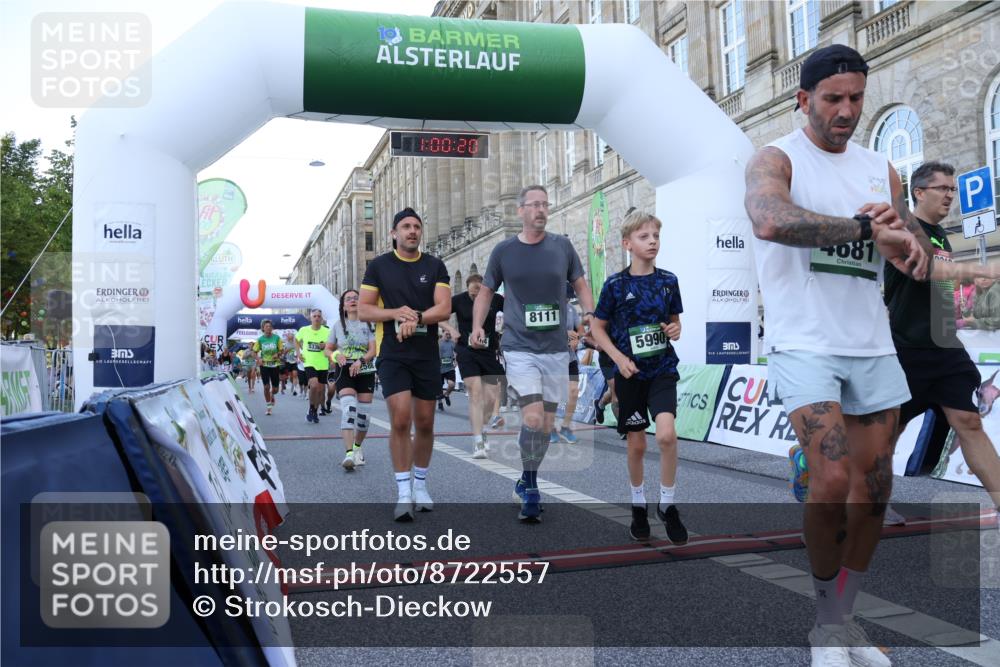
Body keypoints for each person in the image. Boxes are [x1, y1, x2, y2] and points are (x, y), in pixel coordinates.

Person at [744, 44, 930, 667]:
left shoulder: (882, 167)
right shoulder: (777, 157)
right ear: (804, 100)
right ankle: (825, 626)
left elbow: (915, 256)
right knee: (829, 478)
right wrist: (861, 227)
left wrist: (903, 237)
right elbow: (769, 220)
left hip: (871, 344)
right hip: (804, 342)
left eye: (855, 97)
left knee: (874, 491)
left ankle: (843, 619)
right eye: (832, 99)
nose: (846, 110)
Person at [881, 161, 1000, 514]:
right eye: (943, 188)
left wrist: (967, 283)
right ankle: (872, 506)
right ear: (919, 192)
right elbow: (921, 272)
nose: (951, 195)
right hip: (906, 349)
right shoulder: (903, 228)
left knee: (969, 422)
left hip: (945, 349)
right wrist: (976, 269)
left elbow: (937, 284)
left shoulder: (940, 233)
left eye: (953, 188)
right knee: (888, 435)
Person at [471, 185, 594, 523]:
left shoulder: (562, 247)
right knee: (534, 418)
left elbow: (581, 284)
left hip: (555, 348)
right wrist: (477, 326)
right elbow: (484, 292)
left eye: (545, 204)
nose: (541, 209)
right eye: (534, 204)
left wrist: (589, 313)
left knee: (545, 425)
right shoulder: (504, 251)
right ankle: (533, 486)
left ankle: (525, 478)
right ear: (520, 211)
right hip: (519, 346)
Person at [589, 210, 687, 543]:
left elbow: (675, 323)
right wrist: (617, 357)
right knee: (637, 444)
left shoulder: (668, 281)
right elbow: (597, 327)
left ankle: (668, 504)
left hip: (661, 370)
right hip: (629, 374)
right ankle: (637, 504)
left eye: (656, 236)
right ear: (628, 244)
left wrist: (675, 329)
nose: (652, 242)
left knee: (666, 436)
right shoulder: (616, 285)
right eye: (645, 237)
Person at [359, 207, 451, 522]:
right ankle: (403, 492)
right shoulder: (380, 267)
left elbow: (444, 307)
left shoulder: (435, 265)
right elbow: (365, 311)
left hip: (426, 353)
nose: (412, 231)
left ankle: (421, 485)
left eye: (416, 226)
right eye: (406, 227)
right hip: (392, 352)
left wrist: (419, 317)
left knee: (425, 421)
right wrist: (398, 313)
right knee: (401, 420)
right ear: (394, 233)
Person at [441, 273, 505, 459]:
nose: (476, 297)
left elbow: (514, 311)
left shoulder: (496, 299)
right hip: (466, 350)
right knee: (475, 393)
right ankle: (478, 441)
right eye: (472, 294)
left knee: (491, 398)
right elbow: (438, 315)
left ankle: (483, 429)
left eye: (479, 294)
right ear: (467, 289)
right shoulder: (459, 300)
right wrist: (451, 329)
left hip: (489, 351)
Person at [326, 289, 377, 471]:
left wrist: (361, 361)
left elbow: (373, 350)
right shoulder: (337, 325)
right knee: (349, 409)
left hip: (365, 369)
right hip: (344, 370)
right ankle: (348, 454)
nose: (353, 301)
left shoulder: (368, 324)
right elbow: (328, 349)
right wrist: (336, 356)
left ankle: (357, 447)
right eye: (349, 299)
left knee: (364, 416)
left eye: (356, 298)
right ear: (344, 305)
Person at [552, 294, 585, 444]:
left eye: (568, 298)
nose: (566, 300)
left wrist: (577, 338)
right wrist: (565, 334)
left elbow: (580, 330)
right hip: (553, 358)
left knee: (573, 391)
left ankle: (565, 426)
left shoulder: (571, 309)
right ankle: (550, 427)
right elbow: (543, 333)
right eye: (564, 296)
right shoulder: (549, 308)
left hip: (570, 358)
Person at [295, 309, 331, 424]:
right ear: (310, 318)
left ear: (322, 318)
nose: (316, 318)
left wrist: (325, 345)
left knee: (320, 391)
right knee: (314, 385)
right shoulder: (304, 330)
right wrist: (299, 354)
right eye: (314, 316)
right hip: (309, 362)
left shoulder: (327, 331)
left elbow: (333, 345)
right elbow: (296, 340)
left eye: (318, 316)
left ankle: (315, 411)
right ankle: (311, 408)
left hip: (323, 364)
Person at [253, 319, 284, 416]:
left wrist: (278, 354)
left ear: (272, 328)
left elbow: (282, 350)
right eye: (266, 326)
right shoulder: (260, 339)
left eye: (270, 326)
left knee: (275, 389)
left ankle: (272, 394)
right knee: (266, 387)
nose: (268, 328)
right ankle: (269, 407)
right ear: (263, 328)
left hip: (275, 365)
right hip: (264, 365)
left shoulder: (277, 338)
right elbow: (254, 352)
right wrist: (258, 359)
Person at [438, 331, 456, 412]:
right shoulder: (438, 343)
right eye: (446, 334)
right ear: (442, 333)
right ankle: (440, 403)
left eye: (449, 334)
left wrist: (456, 360)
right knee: (438, 387)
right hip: (439, 368)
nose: (448, 336)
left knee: (452, 384)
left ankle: (446, 394)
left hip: (450, 367)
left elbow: (456, 352)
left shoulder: (452, 343)